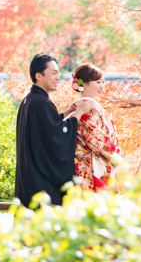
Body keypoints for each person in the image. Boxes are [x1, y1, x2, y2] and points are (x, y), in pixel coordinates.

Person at [15, 52, 94, 207]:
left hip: (29, 181)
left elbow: (48, 126)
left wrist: (67, 113)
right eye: (54, 73)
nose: (58, 77)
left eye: (58, 73)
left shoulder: (30, 100)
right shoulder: (42, 102)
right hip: (42, 185)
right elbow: (56, 136)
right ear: (39, 75)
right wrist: (78, 113)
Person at [62, 63, 124, 192]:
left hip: (91, 163)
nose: (102, 86)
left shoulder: (82, 106)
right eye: (97, 82)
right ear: (84, 84)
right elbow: (97, 141)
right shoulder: (87, 108)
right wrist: (116, 153)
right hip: (92, 167)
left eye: (103, 82)